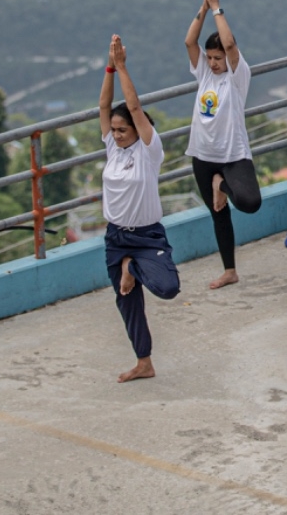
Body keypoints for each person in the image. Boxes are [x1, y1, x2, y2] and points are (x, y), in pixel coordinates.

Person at [99, 33, 180, 384]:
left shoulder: (149, 152)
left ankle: (133, 266)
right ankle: (144, 362)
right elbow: (104, 108)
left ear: (138, 129)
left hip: (147, 237)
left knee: (168, 288)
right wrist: (108, 68)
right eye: (114, 131)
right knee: (127, 303)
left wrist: (123, 68)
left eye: (122, 130)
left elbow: (132, 107)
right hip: (116, 237)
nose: (116, 135)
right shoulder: (113, 149)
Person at [184, 0, 259, 289]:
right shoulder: (203, 72)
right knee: (218, 213)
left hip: (232, 155)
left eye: (219, 58)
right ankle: (230, 270)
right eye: (211, 58)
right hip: (202, 155)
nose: (215, 63)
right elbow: (190, 41)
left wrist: (217, 9)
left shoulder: (238, 76)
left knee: (250, 202)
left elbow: (230, 46)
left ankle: (221, 184)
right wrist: (202, 8)